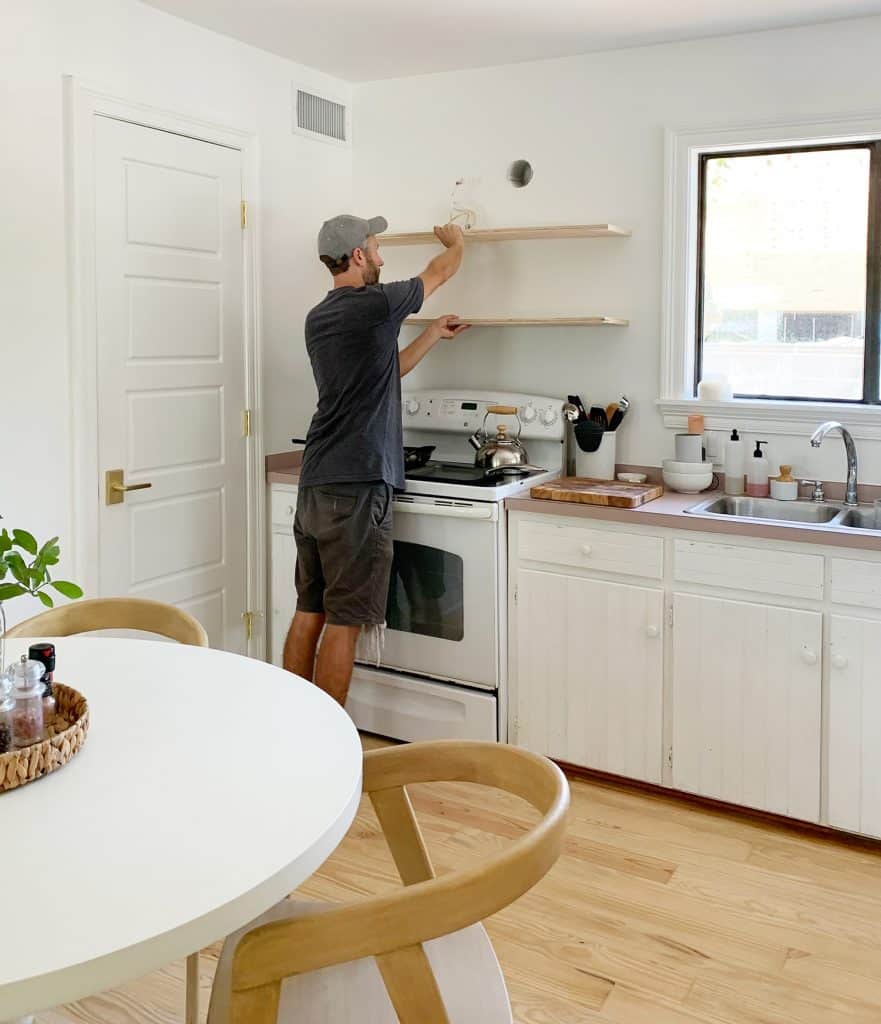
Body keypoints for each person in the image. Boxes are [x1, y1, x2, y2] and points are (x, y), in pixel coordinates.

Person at [283, 213, 468, 705]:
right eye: (377, 248)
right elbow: (441, 271)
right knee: (344, 621)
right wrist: (457, 241)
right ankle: (329, 740)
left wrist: (432, 334)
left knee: (309, 610)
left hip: (316, 483)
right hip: (359, 485)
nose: (382, 259)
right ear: (359, 255)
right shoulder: (377, 303)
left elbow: (386, 371)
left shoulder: (319, 318)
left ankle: (292, 725)